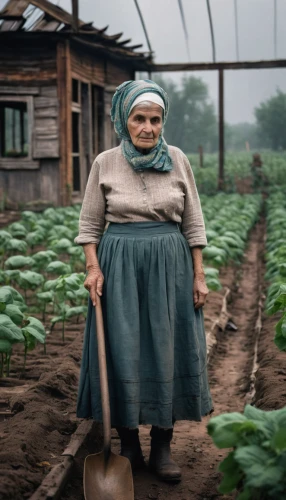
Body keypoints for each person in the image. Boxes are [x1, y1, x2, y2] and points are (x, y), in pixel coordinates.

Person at [75, 79, 213, 482]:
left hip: (170, 267)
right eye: (139, 119)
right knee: (123, 347)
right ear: (124, 120)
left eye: (155, 119)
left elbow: (193, 221)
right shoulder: (105, 162)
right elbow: (89, 223)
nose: (148, 127)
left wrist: (199, 274)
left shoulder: (179, 159)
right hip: (118, 266)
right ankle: (129, 445)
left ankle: (163, 447)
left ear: (163, 121)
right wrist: (93, 267)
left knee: (167, 347)